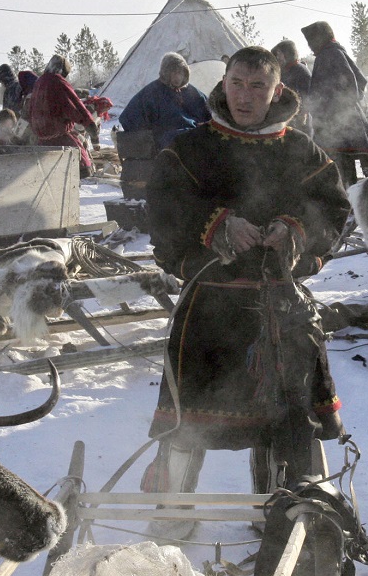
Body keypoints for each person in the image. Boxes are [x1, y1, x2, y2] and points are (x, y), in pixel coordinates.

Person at [141, 46, 349, 532]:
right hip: (208, 308)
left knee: (286, 419)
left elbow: (333, 208)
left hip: (280, 311)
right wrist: (215, 226)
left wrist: (295, 230)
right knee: (188, 419)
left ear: (278, 90)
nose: (245, 96)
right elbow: (163, 208)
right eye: (237, 83)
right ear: (224, 82)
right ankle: (171, 518)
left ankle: (286, 517)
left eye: (258, 87)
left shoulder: (300, 151)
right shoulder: (191, 148)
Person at [302, 21, 368, 184]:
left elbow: (352, 85)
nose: (310, 47)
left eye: (311, 41)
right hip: (345, 126)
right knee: (355, 174)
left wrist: (335, 109)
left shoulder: (330, 54)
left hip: (341, 130)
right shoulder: (334, 52)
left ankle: (352, 206)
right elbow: (360, 80)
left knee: (346, 177)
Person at [117, 52, 211, 151]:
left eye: (180, 72)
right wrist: (148, 134)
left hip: (192, 135)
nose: (178, 77)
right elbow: (129, 117)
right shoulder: (153, 91)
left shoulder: (191, 92)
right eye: (174, 72)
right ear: (166, 73)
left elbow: (210, 112)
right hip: (168, 140)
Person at [26, 54, 97, 177]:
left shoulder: (39, 83)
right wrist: (90, 125)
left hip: (41, 143)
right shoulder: (58, 82)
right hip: (61, 141)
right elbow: (75, 106)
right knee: (82, 168)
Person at [271, 39, 312, 136]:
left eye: (279, 54)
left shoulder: (300, 72)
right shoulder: (286, 71)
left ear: (287, 54)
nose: (277, 58)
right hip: (286, 122)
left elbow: (306, 99)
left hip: (298, 125)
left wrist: (302, 115)